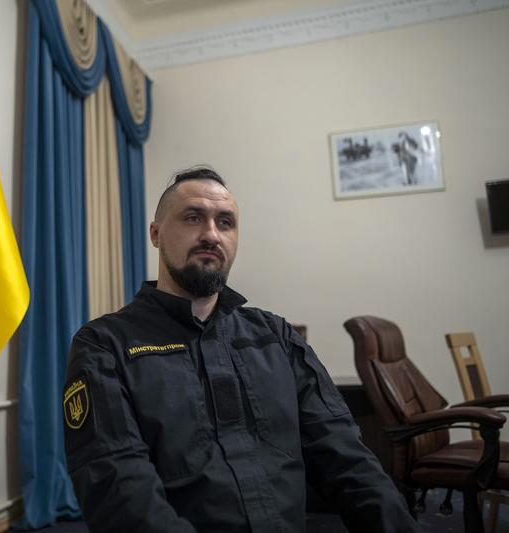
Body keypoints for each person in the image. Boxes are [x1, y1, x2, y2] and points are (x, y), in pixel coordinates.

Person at [62, 166, 419, 533]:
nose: (211, 235)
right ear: (156, 234)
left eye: (226, 222)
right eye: (193, 218)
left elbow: (346, 457)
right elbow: (120, 491)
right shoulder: (105, 345)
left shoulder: (276, 336)